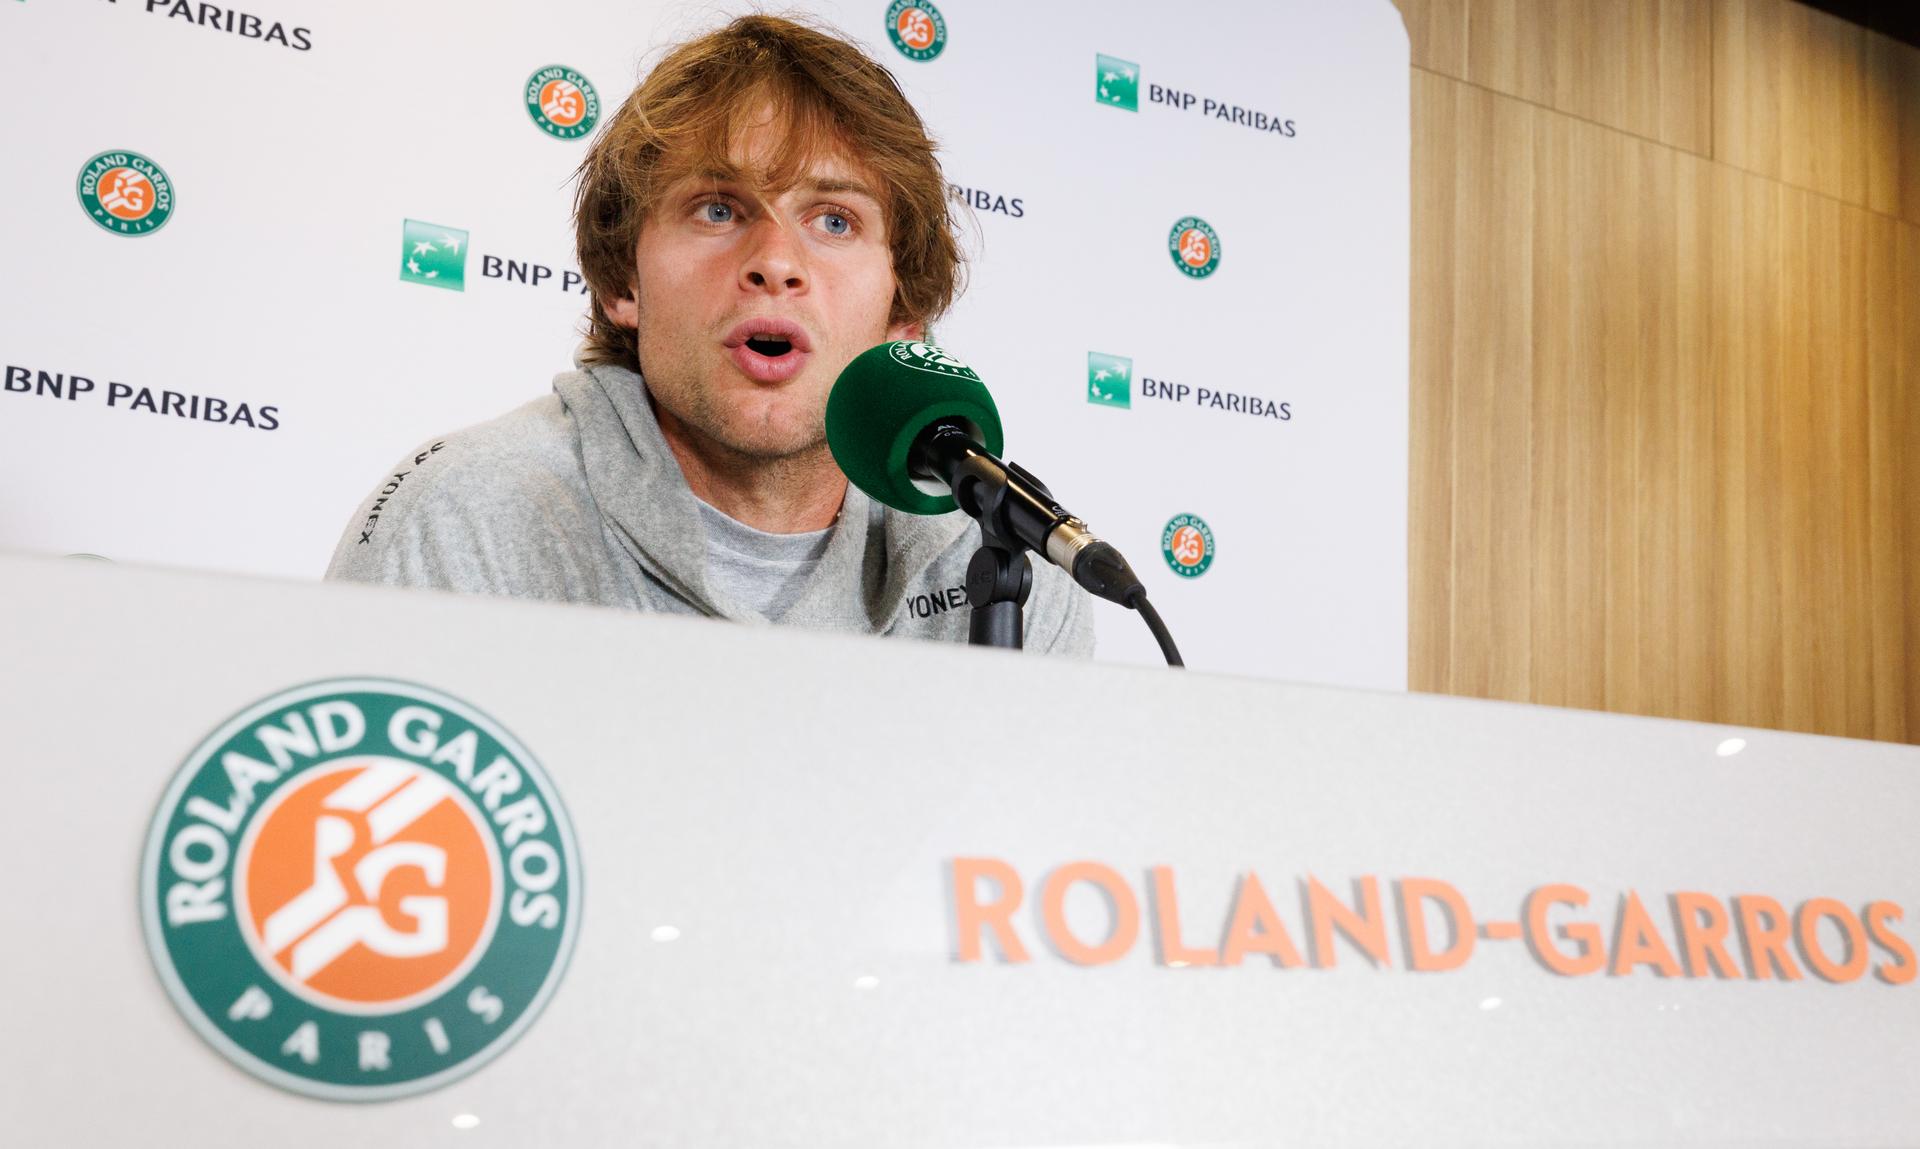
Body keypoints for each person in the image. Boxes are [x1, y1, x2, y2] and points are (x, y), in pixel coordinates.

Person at [326, 14, 1092, 654]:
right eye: (719, 210)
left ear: (903, 311)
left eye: (834, 221)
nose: (776, 263)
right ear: (623, 282)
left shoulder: (1005, 552)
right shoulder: (467, 518)